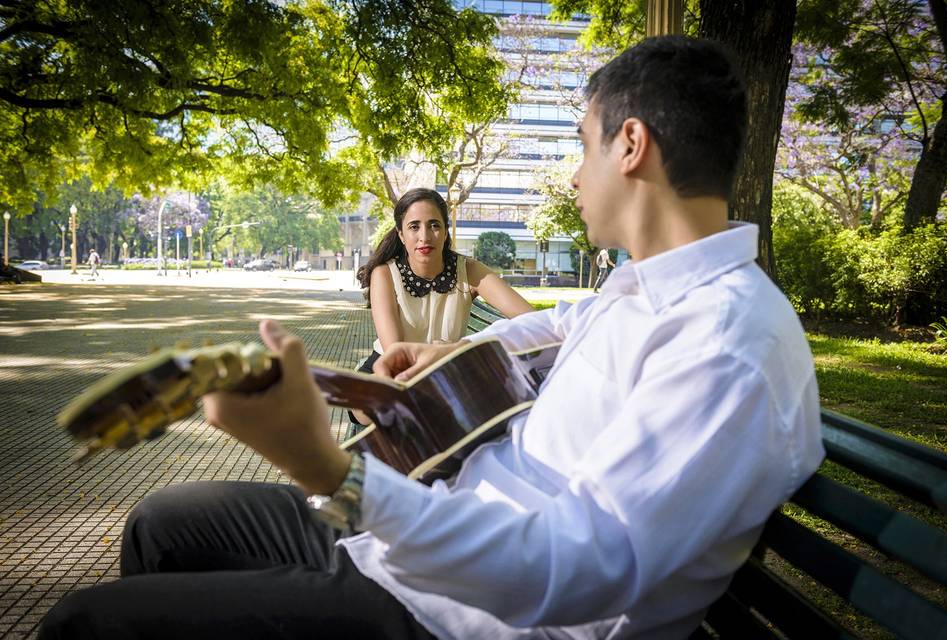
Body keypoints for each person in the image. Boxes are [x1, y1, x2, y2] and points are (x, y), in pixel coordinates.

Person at [40, 36, 824, 640]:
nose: (575, 175)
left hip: (462, 614)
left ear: (630, 145)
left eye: (582, 146)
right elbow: (544, 331)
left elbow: (580, 567)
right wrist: (431, 361)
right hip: (421, 535)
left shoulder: (726, 343)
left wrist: (327, 467)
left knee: (85, 624)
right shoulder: (638, 293)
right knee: (162, 524)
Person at [348, 187, 533, 426]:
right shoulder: (384, 274)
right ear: (401, 235)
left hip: (447, 375)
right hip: (389, 372)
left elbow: (531, 319)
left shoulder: (469, 270)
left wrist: (465, 350)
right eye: (414, 226)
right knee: (377, 404)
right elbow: (397, 355)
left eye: (434, 225)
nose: (424, 236)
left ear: (446, 231)